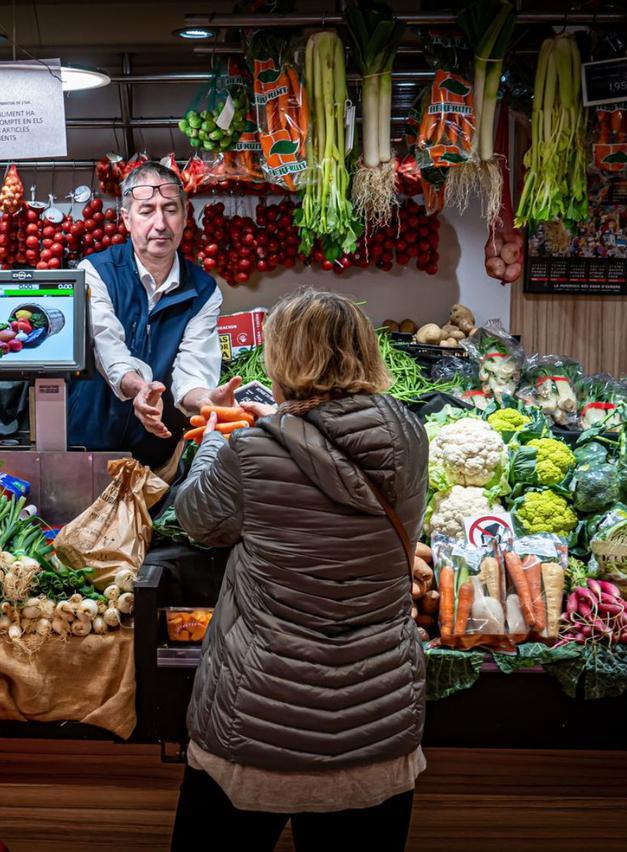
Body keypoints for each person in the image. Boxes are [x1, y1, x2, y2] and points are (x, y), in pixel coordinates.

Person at [169, 289, 429, 852]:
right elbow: (337, 458)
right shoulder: (410, 435)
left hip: (256, 724)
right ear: (363, 352)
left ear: (283, 359)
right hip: (377, 721)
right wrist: (282, 427)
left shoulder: (252, 452)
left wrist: (217, 441)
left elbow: (196, 519)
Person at [67, 162, 238, 470]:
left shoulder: (204, 291)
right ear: (126, 219)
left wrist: (207, 401)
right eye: (147, 211)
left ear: (186, 217)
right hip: (86, 446)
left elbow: (193, 372)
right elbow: (108, 349)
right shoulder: (94, 272)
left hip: (156, 453)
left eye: (170, 209)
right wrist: (139, 388)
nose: (160, 223)